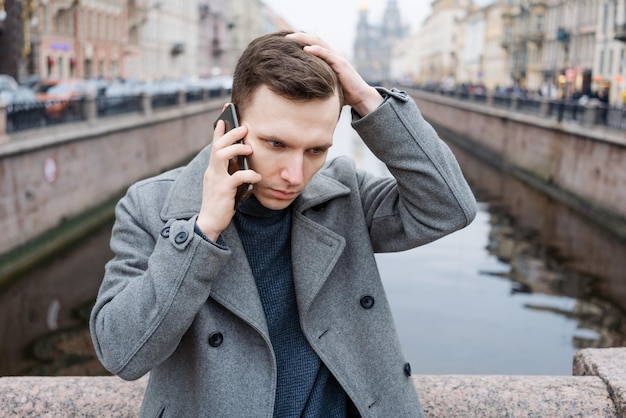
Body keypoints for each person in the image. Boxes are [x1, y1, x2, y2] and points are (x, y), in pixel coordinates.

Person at [90, 31, 477, 418]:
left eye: (315, 150)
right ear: (230, 124)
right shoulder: (152, 206)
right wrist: (201, 233)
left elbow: (449, 207)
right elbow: (122, 354)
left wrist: (367, 101)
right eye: (276, 144)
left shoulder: (342, 196)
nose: (295, 175)